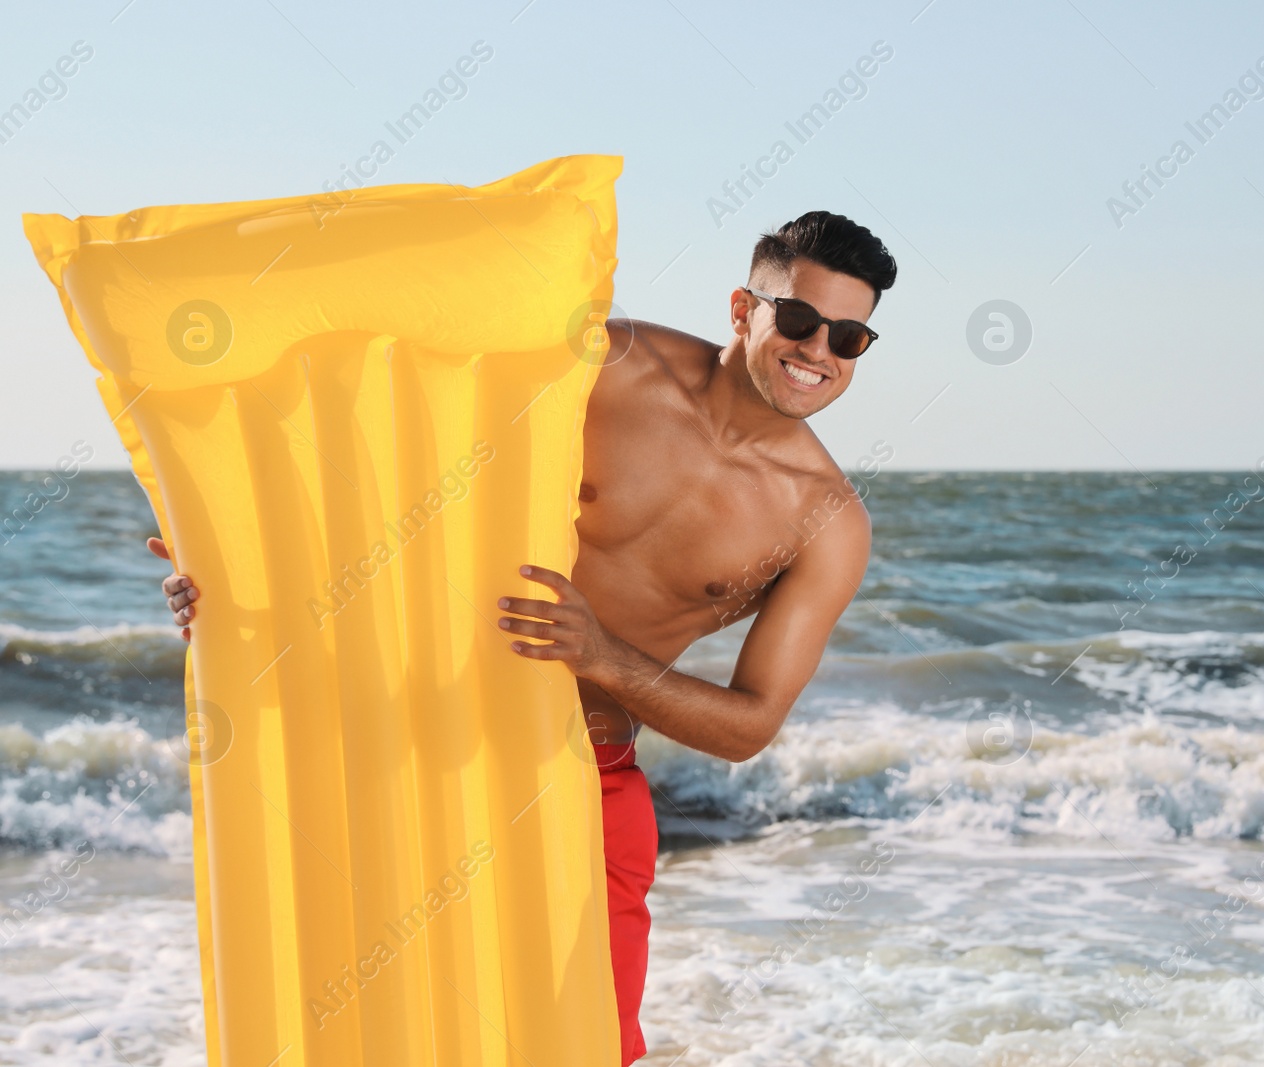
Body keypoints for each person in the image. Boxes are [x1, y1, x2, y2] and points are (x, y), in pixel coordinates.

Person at [149, 210, 897, 1065]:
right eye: (798, 320)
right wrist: (237, 560)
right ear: (743, 308)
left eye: (849, 336)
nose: (818, 351)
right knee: (375, 1029)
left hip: (585, 778)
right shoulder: (612, 365)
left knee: (584, 1045)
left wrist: (602, 655)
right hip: (419, 747)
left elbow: (750, 724)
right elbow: (400, 442)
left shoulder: (825, 521)